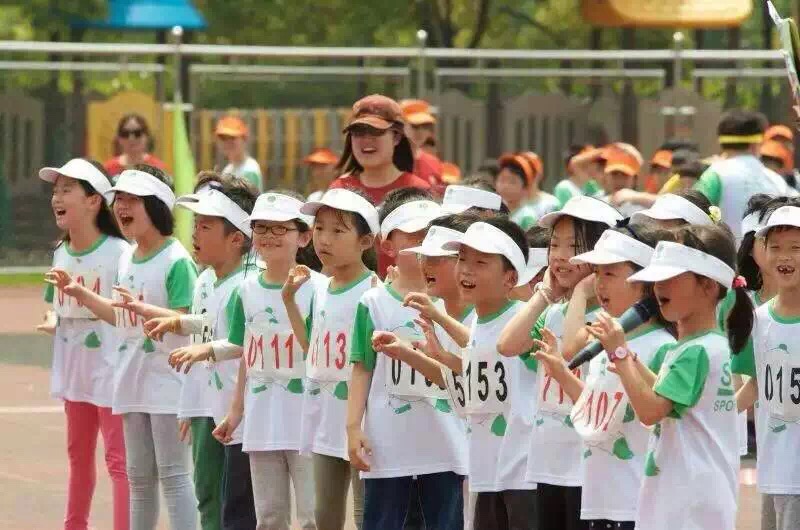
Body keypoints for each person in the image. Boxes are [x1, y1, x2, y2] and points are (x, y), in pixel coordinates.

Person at [46, 165, 199, 530]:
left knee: (174, 476)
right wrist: (81, 294)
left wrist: (147, 311)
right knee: (139, 480)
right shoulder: (129, 258)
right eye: (120, 199)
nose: (122, 207)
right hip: (131, 382)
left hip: (167, 382)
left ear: (156, 205)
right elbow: (120, 316)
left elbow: (189, 322)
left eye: (133, 200)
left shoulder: (177, 261)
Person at [603, 225, 752, 530]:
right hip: (698, 495)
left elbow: (651, 411)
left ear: (708, 286)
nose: (659, 287)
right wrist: (631, 362)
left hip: (687, 502)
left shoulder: (695, 352)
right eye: (658, 279)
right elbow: (670, 398)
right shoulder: (705, 346)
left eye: (671, 278)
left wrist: (620, 355)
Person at [532, 225, 676, 530]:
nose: (599, 283)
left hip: (636, 503)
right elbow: (595, 408)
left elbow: (656, 414)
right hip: (599, 499)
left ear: (645, 283)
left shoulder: (662, 346)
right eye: (597, 273)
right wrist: (561, 372)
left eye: (610, 273)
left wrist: (622, 357)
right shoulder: (603, 339)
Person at [497, 195, 623, 530]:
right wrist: (544, 295)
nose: (560, 256)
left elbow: (570, 350)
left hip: (588, 467)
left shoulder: (612, 318)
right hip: (549, 463)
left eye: (575, 246)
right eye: (555, 245)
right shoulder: (554, 311)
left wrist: (580, 294)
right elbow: (508, 345)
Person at [144, 173, 257, 530]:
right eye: (195, 224)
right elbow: (209, 323)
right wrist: (179, 323)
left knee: (238, 502)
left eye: (206, 227)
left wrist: (204, 349)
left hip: (239, 409)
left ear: (236, 239)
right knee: (206, 493)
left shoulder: (251, 284)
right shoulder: (206, 278)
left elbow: (243, 342)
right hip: (205, 405)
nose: (195, 233)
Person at [347, 193, 467, 530]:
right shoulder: (372, 302)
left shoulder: (456, 304)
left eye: (432, 235)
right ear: (387, 245)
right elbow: (362, 367)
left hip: (445, 444)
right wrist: (353, 428)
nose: (426, 246)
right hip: (388, 445)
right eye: (415, 237)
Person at [213, 191, 324, 530]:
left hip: (307, 419)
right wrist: (236, 411)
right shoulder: (245, 290)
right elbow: (248, 351)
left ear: (303, 237)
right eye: (261, 228)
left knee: (312, 517)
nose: (268, 236)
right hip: (262, 416)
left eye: (280, 228)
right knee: (269, 517)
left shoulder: (319, 288)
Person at [38, 158, 130, 530]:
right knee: (78, 457)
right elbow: (54, 305)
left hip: (111, 372)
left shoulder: (119, 254)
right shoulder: (60, 253)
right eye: (55, 190)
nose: (56, 198)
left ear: (94, 201)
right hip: (74, 372)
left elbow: (127, 313)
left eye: (67, 190)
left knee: (118, 461)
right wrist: (52, 319)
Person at [288, 187, 381, 530]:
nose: (324, 239)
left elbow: (370, 363)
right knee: (324, 514)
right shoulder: (319, 288)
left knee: (364, 512)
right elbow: (311, 348)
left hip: (363, 420)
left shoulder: (373, 292)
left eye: (338, 231)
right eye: (319, 228)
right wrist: (288, 302)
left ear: (365, 241)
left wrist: (358, 421)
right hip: (324, 417)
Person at [735, 202, 800, 530]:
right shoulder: (759, 320)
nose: (784, 256)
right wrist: (716, 414)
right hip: (773, 470)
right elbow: (757, 383)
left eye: (796, 248)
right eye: (775, 247)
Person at [328, 94, 430, 278]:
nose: (366, 140)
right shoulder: (339, 190)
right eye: (359, 132)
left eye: (376, 132)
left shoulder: (419, 190)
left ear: (396, 137)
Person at [694, 110, 796, 242]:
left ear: (721, 143)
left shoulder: (713, 175)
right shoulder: (777, 181)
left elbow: (694, 218)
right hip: (768, 253)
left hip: (724, 253)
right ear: (755, 145)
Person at [104, 114, 166, 179]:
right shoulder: (109, 168)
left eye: (137, 133)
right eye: (125, 133)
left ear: (147, 136)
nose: (131, 138)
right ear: (119, 138)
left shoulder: (157, 167)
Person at [401, 99, 444, 189]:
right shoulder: (387, 162)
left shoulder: (434, 162)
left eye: (425, 126)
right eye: (415, 126)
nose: (421, 131)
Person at [216, 115, 264, 192]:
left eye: (232, 138)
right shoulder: (228, 169)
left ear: (244, 139)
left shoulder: (249, 170)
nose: (227, 142)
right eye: (223, 138)